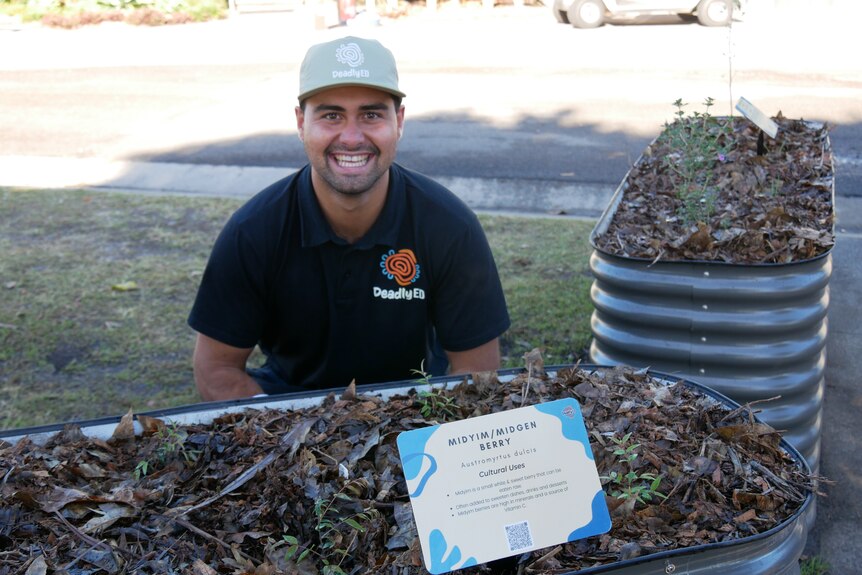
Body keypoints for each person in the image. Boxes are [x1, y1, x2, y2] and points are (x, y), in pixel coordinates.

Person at [187, 36, 510, 400]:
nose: (352, 137)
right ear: (300, 122)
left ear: (399, 121)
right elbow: (217, 369)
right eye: (331, 115)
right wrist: (292, 444)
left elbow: (477, 370)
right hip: (287, 413)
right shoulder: (253, 232)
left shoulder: (450, 227)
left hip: (416, 412)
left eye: (371, 114)